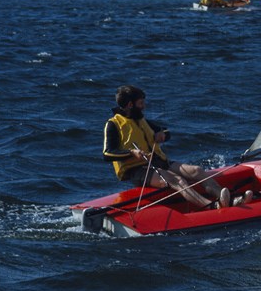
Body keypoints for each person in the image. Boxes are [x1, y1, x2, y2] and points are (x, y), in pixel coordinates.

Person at [103, 85, 252, 209]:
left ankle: (228, 200)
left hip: (160, 163)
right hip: (137, 171)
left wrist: (162, 135)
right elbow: (108, 154)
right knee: (178, 180)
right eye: (141, 103)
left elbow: (166, 131)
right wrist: (132, 153)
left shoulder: (141, 120)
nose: (144, 106)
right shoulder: (113, 125)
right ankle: (210, 206)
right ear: (130, 105)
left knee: (197, 171)